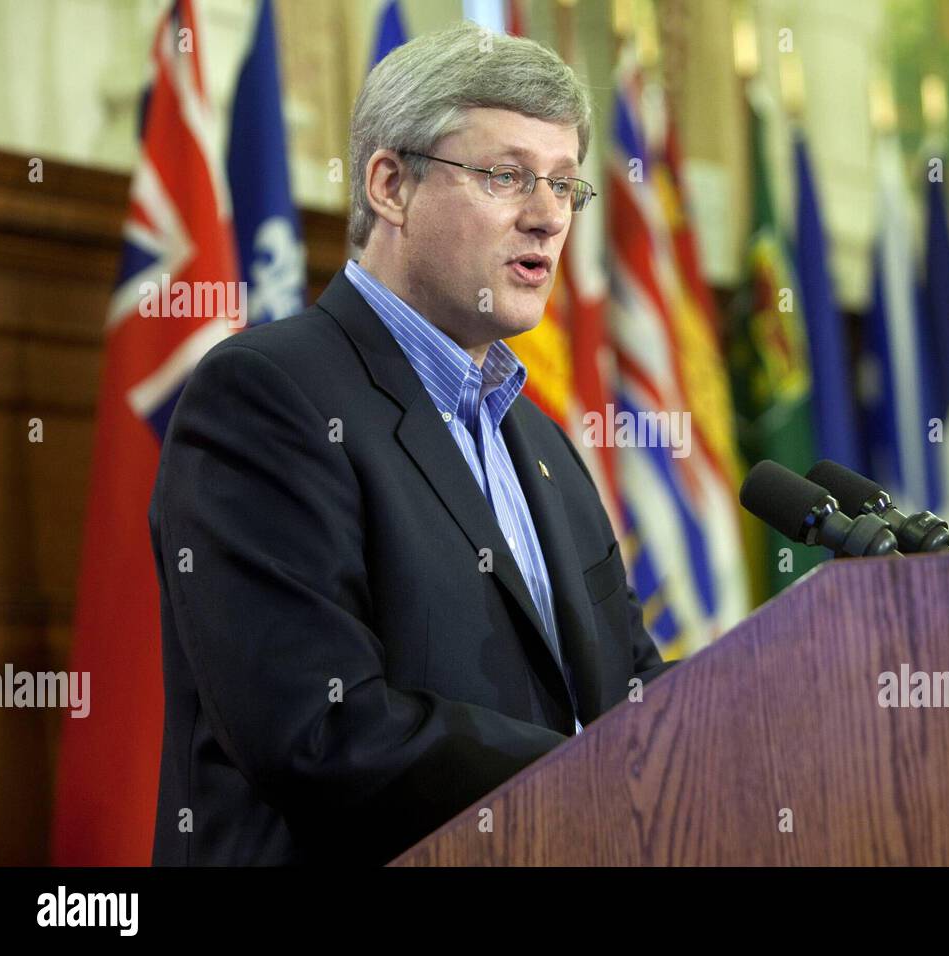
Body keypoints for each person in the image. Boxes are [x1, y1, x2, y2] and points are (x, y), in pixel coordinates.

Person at [150, 22, 675, 866]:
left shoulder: (539, 439)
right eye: (507, 176)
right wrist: (601, 776)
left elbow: (629, 689)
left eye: (567, 186)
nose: (547, 218)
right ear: (391, 185)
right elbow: (320, 728)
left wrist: (772, 706)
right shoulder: (266, 396)